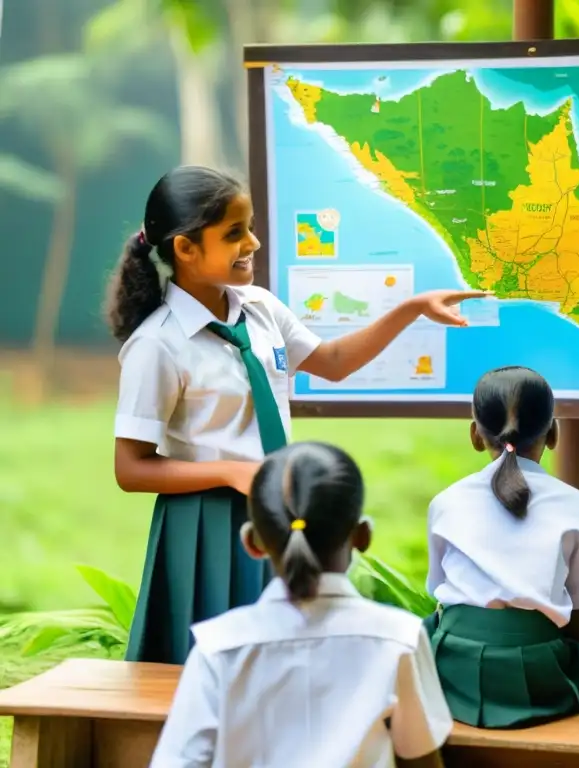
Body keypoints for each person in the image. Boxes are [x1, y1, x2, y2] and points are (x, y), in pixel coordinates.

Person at [107, 165, 488, 665]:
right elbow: (130, 468)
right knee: (214, 664)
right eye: (235, 233)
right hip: (206, 525)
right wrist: (229, 471)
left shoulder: (259, 308)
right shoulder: (157, 345)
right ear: (185, 249)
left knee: (288, 657)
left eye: (250, 226)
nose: (254, 243)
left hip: (279, 510)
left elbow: (332, 362)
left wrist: (411, 308)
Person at [150, 442, 452, 767]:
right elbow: (421, 759)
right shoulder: (399, 639)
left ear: (252, 543)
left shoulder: (218, 648)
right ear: (363, 536)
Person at [424, 366, 579, 729]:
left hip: (456, 674)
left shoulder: (445, 502)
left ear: (475, 435)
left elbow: (440, 593)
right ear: (553, 434)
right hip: (539, 675)